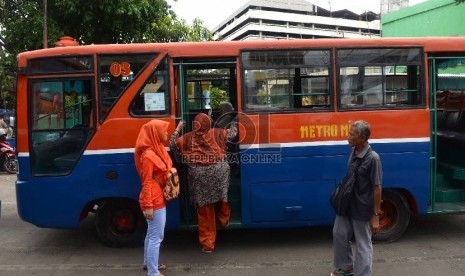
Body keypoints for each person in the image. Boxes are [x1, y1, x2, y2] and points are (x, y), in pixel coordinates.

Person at [170, 113, 237, 253]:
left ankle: (208, 244)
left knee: (205, 211)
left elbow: (172, 145)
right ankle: (224, 219)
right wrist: (235, 121)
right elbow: (233, 134)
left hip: (199, 178)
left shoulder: (187, 138)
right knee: (221, 196)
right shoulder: (216, 133)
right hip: (219, 174)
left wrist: (178, 128)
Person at [331, 120, 383, 276]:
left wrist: (375, 216)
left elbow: (377, 187)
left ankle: (363, 273)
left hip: (362, 207)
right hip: (347, 204)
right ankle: (346, 267)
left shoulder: (373, 158)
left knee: (363, 244)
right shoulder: (353, 152)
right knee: (339, 233)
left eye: (352, 135)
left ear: (362, 138)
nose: (348, 137)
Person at [134, 120, 172, 276]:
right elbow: (147, 182)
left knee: (151, 234)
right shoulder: (149, 156)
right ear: (155, 133)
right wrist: (149, 205)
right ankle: (153, 272)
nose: (166, 133)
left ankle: (149, 264)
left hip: (156, 199)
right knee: (157, 236)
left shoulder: (155, 150)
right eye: (164, 131)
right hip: (154, 201)